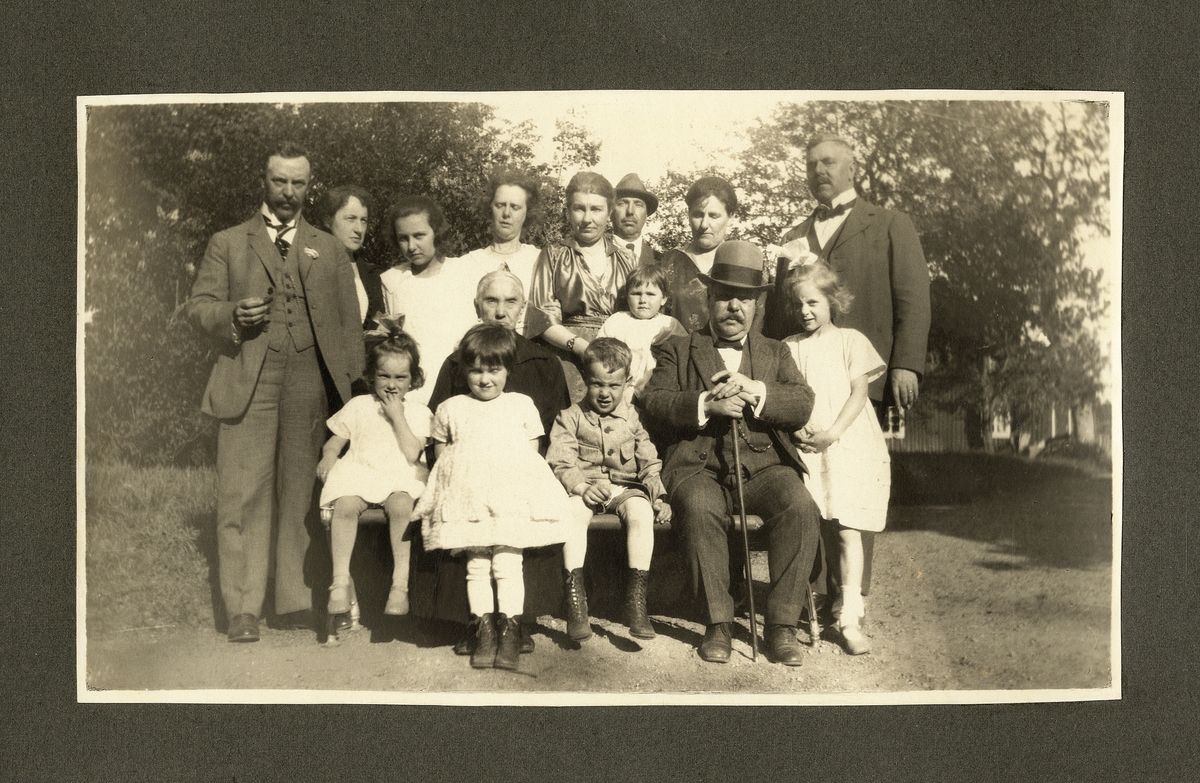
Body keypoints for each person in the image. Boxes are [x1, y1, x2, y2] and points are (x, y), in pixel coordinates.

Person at [186, 142, 364, 642]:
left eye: (298, 184)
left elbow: (350, 328)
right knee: (242, 491)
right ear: (263, 182)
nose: (288, 193)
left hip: (310, 379)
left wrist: (353, 399)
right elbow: (198, 307)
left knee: (302, 490)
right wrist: (229, 316)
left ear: (310, 186)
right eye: (279, 182)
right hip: (250, 375)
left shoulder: (329, 247)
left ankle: (294, 600)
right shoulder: (229, 241)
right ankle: (243, 607)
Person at [764, 132, 931, 616]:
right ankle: (813, 592)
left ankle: (850, 595)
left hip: (861, 378)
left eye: (830, 161)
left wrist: (905, 363)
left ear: (853, 167)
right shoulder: (794, 237)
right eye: (812, 163)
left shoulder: (890, 224)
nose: (820, 170)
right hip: (804, 381)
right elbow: (779, 316)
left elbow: (914, 300)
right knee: (810, 480)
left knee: (854, 483)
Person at [640, 240, 821, 666]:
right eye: (724, 297)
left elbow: (802, 403)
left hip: (764, 466)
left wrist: (756, 391)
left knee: (799, 507)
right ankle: (718, 623)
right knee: (700, 509)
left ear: (759, 303)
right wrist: (707, 404)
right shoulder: (677, 347)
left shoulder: (776, 351)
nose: (734, 308)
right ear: (709, 298)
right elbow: (657, 402)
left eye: (745, 299)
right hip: (699, 466)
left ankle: (781, 626)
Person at [411, 270, 571, 655]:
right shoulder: (457, 363)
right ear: (477, 306)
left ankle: (520, 619)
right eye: (491, 301)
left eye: (510, 301)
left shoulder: (543, 362)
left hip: (520, 476)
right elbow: (441, 429)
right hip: (467, 477)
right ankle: (471, 621)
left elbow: (552, 430)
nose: (501, 312)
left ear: (523, 308)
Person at [782, 265, 890, 655]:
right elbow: (787, 399)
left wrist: (834, 432)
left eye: (813, 302)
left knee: (847, 529)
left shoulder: (850, 340)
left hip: (847, 442)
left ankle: (849, 617)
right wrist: (799, 432)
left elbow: (859, 394)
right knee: (808, 525)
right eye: (798, 304)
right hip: (807, 444)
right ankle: (803, 606)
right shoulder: (789, 346)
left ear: (833, 302)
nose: (805, 310)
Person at [546, 338, 673, 641]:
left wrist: (660, 496)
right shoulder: (570, 417)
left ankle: (636, 602)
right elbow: (561, 460)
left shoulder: (632, 417)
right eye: (596, 384)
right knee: (573, 514)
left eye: (613, 386)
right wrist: (579, 486)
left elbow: (648, 462)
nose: (604, 393)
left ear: (627, 383)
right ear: (585, 380)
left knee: (641, 512)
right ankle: (576, 603)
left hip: (624, 489)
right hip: (585, 489)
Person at [317, 320, 432, 619]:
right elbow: (334, 442)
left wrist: (397, 415)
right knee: (345, 504)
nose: (391, 384)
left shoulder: (418, 412)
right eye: (383, 376)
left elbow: (411, 452)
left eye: (400, 377)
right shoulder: (359, 405)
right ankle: (340, 581)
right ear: (371, 376)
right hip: (361, 470)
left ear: (412, 380)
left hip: (399, 475)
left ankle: (399, 585)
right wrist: (329, 457)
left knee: (401, 504)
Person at [525, 171, 638, 402]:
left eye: (596, 209)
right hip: (568, 361)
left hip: (617, 363)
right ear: (568, 211)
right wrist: (582, 348)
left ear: (609, 212)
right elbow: (542, 318)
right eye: (579, 208)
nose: (587, 219)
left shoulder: (627, 259)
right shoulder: (554, 255)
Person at [379, 195, 491, 408]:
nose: (412, 246)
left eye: (419, 235)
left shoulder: (466, 272)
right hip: (413, 392)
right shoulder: (392, 281)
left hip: (462, 388)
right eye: (403, 238)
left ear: (436, 233)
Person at [658, 175, 753, 335]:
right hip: (676, 355)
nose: (704, 225)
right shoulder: (668, 262)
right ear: (688, 215)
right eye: (697, 214)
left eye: (714, 216)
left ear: (731, 217)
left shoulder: (744, 264)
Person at [459, 169, 545, 332]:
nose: (506, 213)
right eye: (500, 205)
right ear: (490, 208)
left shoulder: (540, 261)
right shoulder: (466, 264)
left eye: (515, 207)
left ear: (527, 212)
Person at [597, 263, 686, 403]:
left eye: (650, 294)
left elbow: (682, 358)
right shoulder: (617, 321)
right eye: (636, 294)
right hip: (620, 391)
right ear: (627, 296)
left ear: (663, 299)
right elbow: (599, 354)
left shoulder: (670, 325)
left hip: (656, 392)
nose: (643, 300)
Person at [313, 185, 384, 327]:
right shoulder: (311, 266)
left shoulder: (373, 275)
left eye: (363, 220)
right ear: (328, 221)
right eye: (351, 219)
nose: (359, 229)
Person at [611, 173, 660, 266]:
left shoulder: (660, 261)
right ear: (610, 211)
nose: (630, 211)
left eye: (638, 205)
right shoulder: (596, 254)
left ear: (646, 214)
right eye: (622, 203)